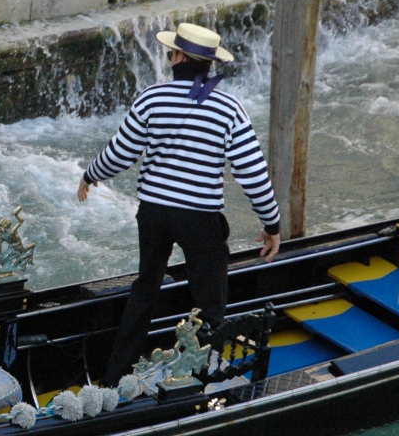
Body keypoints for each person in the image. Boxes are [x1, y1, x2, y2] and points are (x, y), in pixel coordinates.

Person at [77, 22, 281, 385]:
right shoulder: (229, 108)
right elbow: (252, 173)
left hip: (153, 212)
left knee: (145, 290)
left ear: (180, 58)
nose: (169, 57)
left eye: (171, 52)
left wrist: (90, 175)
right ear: (209, 63)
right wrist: (272, 224)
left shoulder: (152, 98)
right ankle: (201, 379)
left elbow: (120, 154)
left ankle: (115, 376)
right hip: (199, 216)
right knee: (210, 302)